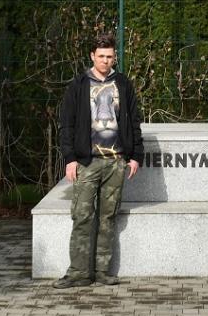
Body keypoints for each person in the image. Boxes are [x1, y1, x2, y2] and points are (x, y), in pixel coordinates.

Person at [53, 33, 143, 288]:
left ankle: (103, 271)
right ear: (92, 56)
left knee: (108, 217)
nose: (106, 60)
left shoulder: (123, 84)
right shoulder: (78, 85)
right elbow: (67, 125)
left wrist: (136, 155)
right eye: (101, 56)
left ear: (115, 57)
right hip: (87, 162)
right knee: (82, 216)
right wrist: (70, 158)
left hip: (116, 162)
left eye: (110, 56)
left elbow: (133, 121)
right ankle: (78, 273)